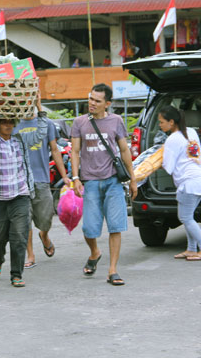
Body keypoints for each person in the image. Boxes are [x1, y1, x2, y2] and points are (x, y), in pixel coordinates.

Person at [0, 87, 47, 288]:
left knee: (19, 236)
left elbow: (40, 133)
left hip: (20, 196)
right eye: (4, 122)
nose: (8, 125)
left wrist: (39, 108)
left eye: (11, 122)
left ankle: (16, 274)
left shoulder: (21, 141)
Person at [70, 83, 137, 286]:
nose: (92, 103)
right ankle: (95, 252)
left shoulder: (116, 121)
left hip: (113, 181)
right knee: (89, 229)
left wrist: (133, 179)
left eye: (97, 101)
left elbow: (124, 150)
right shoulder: (79, 122)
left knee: (115, 227)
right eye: (91, 98)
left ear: (107, 103)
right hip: (90, 182)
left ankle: (113, 270)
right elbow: (74, 151)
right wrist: (75, 178)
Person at [13, 102, 70, 269]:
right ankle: (30, 255)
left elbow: (54, 149)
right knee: (25, 219)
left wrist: (65, 176)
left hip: (42, 179)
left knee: (46, 218)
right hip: (20, 181)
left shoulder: (47, 124)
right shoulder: (14, 125)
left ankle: (44, 235)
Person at [159, 106, 201, 261]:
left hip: (189, 183)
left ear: (171, 122)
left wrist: (156, 159)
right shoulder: (191, 132)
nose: (160, 125)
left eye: (162, 122)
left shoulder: (172, 139)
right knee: (188, 217)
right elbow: (198, 154)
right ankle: (191, 249)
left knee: (185, 218)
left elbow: (168, 167)